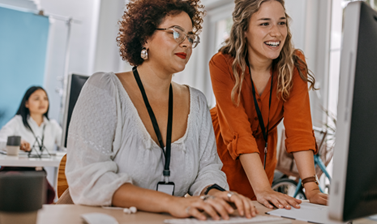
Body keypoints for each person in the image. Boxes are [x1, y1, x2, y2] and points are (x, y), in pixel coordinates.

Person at [65, 0, 257, 221]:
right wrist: (172, 203)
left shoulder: (197, 102)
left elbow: (208, 170)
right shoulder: (104, 89)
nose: (186, 43)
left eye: (191, 37)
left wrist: (218, 196)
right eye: (176, 33)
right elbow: (89, 180)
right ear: (145, 37)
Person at [209, 0, 328, 210]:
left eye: (281, 23)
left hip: (263, 152)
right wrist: (263, 188)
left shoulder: (294, 65)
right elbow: (239, 132)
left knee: (261, 212)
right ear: (244, 29)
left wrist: (312, 188)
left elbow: (299, 129)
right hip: (222, 149)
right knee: (229, 212)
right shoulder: (222, 64)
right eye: (265, 24)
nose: (276, 33)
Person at [0, 86, 62, 204]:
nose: (42, 102)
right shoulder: (17, 121)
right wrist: (16, 143)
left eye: (45, 98)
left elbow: (67, 145)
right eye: (37, 98)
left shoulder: (52, 125)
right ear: (27, 103)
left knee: (48, 195)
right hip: (14, 170)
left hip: (37, 173)